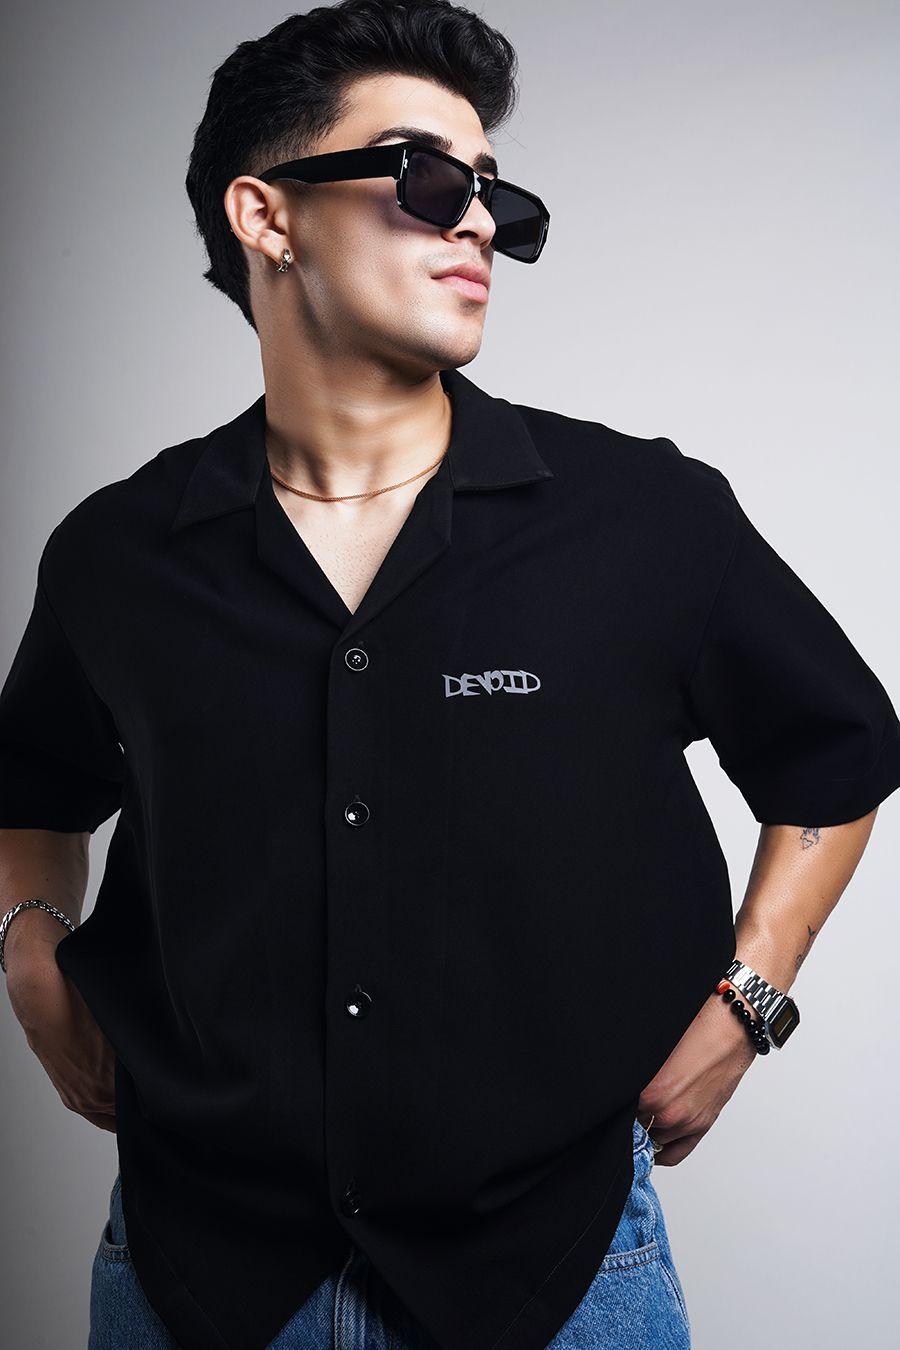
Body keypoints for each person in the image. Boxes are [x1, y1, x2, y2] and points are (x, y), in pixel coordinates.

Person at [2, 3, 899, 1348]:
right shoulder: (118, 554)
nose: (478, 221)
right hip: (195, 1271)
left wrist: (752, 1000)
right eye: (426, 178)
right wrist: (30, 955)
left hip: (557, 1274)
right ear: (266, 215)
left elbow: (837, 756)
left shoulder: (646, 517)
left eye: (495, 194)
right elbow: (32, 789)